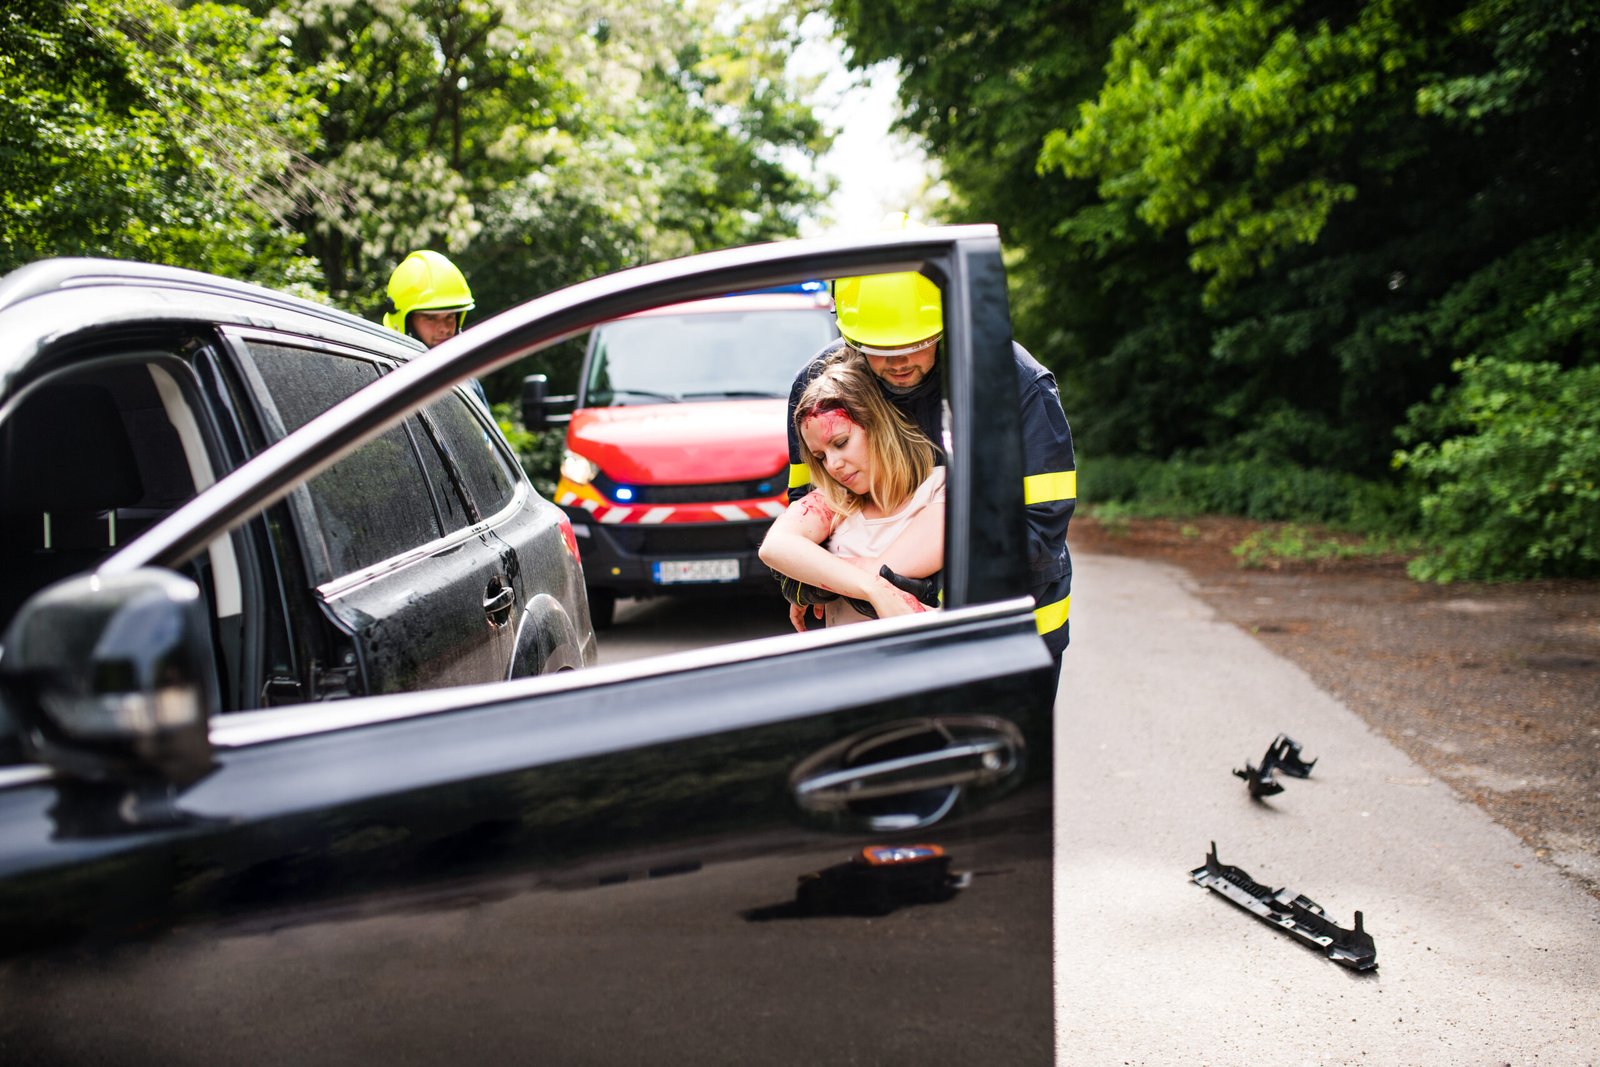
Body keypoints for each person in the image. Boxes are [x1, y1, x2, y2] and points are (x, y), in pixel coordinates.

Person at [782, 266, 1076, 685]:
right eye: (878, 348)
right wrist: (806, 585)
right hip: (869, 648)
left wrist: (917, 583)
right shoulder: (824, 387)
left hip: (1007, 641)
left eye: (917, 343)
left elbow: (1041, 529)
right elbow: (807, 505)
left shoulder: (1014, 382)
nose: (898, 361)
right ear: (851, 336)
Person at [761, 353, 945, 630]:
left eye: (841, 442)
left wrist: (813, 571)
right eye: (820, 456)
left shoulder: (941, 489)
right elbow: (774, 547)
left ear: (878, 424)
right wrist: (873, 590)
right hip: (847, 666)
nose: (833, 465)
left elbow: (886, 570)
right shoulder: (836, 500)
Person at [382, 249, 491, 408]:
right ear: (406, 320)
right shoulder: (383, 384)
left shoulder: (466, 385)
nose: (444, 329)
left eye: (450, 317)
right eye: (430, 318)